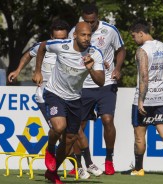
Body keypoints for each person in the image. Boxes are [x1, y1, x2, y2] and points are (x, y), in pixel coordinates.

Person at [32, 21, 105, 184]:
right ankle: (50, 147)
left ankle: (52, 172)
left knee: (71, 138)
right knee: (59, 127)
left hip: (75, 99)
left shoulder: (95, 53)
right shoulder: (61, 45)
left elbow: (101, 81)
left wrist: (90, 68)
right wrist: (38, 71)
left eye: (89, 35)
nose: (87, 38)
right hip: (54, 93)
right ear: (75, 35)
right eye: (83, 35)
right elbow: (43, 46)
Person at [68, 3, 126, 175]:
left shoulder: (110, 30)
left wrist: (118, 68)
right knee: (79, 126)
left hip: (106, 83)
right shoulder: (74, 31)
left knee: (107, 120)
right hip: (83, 86)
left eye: (92, 21)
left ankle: (109, 160)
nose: (90, 25)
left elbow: (121, 49)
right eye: (86, 21)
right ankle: (77, 165)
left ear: (97, 17)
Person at [129, 20, 163, 176]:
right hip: (162, 97)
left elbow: (144, 76)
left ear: (141, 33)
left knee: (139, 136)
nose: (133, 39)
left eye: (133, 36)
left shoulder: (142, 50)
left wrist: (141, 100)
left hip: (146, 98)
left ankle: (139, 168)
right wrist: (162, 82)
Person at [8, 20, 69, 124]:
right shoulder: (42, 47)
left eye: (63, 39)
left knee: (70, 134)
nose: (60, 42)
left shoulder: (74, 50)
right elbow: (28, 55)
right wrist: (18, 70)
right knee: (58, 129)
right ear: (51, 37)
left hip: (68, 97)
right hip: (45, 97)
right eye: (57, 39)